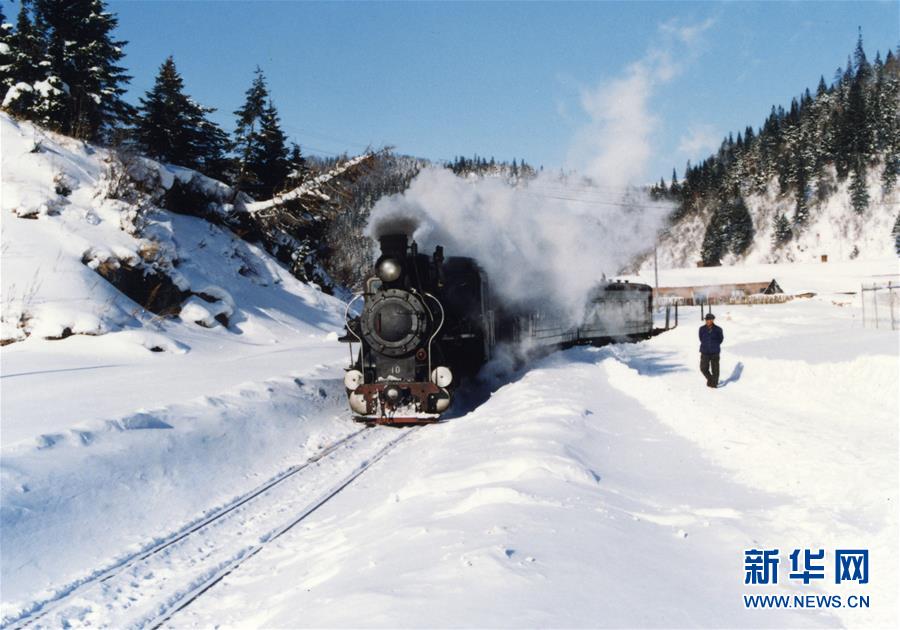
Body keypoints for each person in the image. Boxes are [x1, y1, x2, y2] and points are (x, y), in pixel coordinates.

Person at [699, 313, 724, 388]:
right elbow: (701, 338)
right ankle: (710, 379)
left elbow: (720, 339)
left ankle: (714, 384)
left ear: (713, 320)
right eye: (707, 320)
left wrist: (714, 344)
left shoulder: (718, 329)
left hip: (715, 352)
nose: (708, 321)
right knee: (703, 368)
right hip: (704, 351)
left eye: (709, 320)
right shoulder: (702, 329)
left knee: (715, 369)